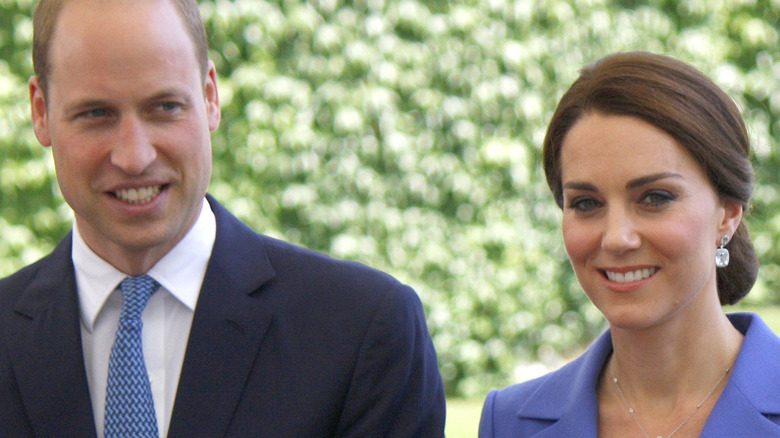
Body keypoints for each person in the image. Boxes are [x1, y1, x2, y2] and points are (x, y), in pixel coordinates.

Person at [0, 0, 446, 436]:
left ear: (211, 96)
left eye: (165, 107)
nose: (134, 157)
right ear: (40, 111)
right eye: (96, 114)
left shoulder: (364, 332)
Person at [479, 51, 780, 437]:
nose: (617, 238)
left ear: (728, 213)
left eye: (655, 198)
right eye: (587, 204)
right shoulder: (508, 422)